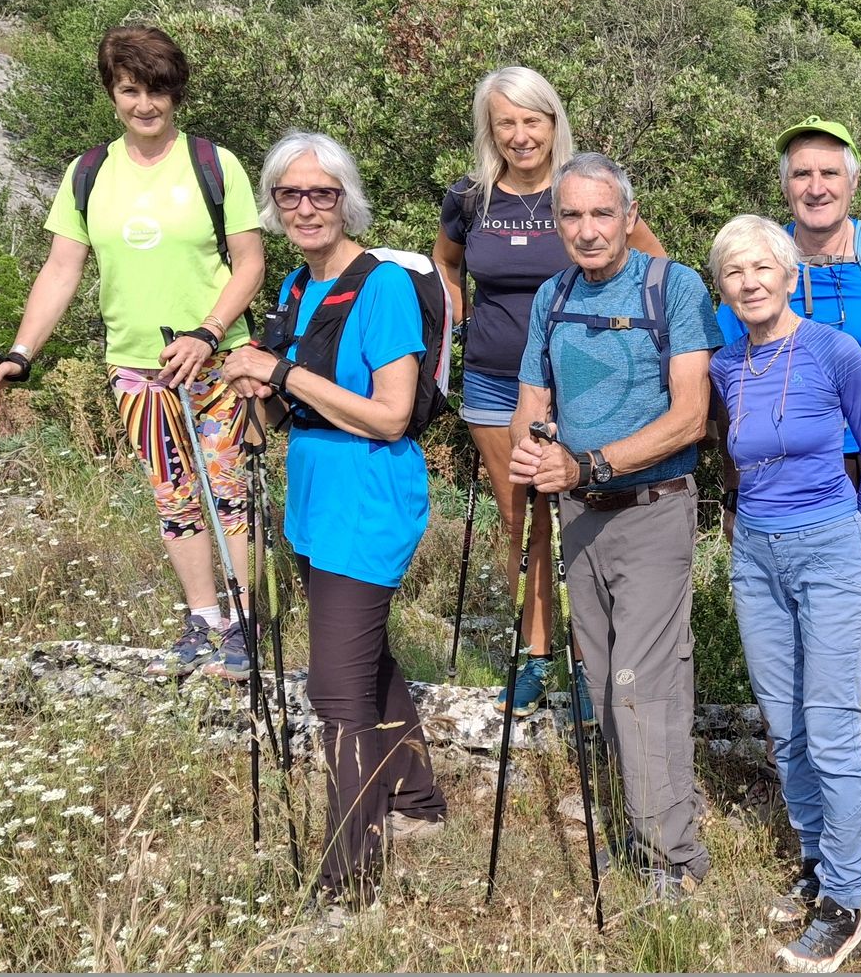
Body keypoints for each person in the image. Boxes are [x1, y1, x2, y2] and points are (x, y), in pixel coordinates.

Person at [0, 25, 267, 681]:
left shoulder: (213, 164)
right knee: (173, 494)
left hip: (219, 361)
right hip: (136, 368)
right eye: (130, 90)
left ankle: (246, 623)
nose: (145, 104)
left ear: (176, 93)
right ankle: (203, 619)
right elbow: (61, 269)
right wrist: (19, 352)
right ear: (112, 93)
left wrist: (208, 332)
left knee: (229, 492)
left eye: (157, 90)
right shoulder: (88, 174)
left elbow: (250, 262)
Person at [221, 130, 446, 915]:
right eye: (290, 194)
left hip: (369, 496)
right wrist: (256, 388)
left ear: (346, 200)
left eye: (322, 193)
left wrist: (281, 371)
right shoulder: (295, 286)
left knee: (335, 691)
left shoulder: (380, 287)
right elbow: (285, 405)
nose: (306, 208)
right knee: (363, 655)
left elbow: (390, 415)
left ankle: (350, 884)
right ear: (273, 205)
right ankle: (417, 799)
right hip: (316, 499)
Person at [717, 116, 861, 849]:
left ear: (852, 181)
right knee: (789, 619)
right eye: (801, 174)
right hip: (790, 463)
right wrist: (734, 493)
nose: (815, 187)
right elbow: (732, 386)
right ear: (785, 186)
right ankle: (809, 770)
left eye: (828, 173)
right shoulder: (762, 263)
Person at [506, 151, 718, 896]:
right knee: (601, 681)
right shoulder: (554, 294)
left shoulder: (675, 287)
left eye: (603, 214)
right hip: (578, 517)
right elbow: (532, 400)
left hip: (653, 510)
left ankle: (671, 858)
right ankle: (648, 825)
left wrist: (587, 464)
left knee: (641, 683)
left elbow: (689, 417)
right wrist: (533, 451)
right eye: (572, 215)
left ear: (630, 217)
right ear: (556, 221)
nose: (588, 230)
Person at [430, 66, 663, 719]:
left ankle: (590, 663)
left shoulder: (582, 191)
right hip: (494, 381)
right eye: (505, 122)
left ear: (553, 122)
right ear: (490, 129)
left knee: (582, 520)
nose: (520, 134)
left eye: (532, 119)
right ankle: (536, 655)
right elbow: (446, 261)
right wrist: (460, 318)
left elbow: (654, 267)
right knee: (521, 521)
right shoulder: (470, 198)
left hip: (581, 386)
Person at [709, 214, 861, 972]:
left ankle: (844, 906)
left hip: (829, 548)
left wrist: (856, 535)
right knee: (785, 728)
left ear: (790, 275)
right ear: (722, 288)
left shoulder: (832, 350)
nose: (749, 282)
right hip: (755, 556)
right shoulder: (725, 364)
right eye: (733, 272)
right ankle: (817, 863)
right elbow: (727, 452)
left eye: (762, 267)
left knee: (831, 732)